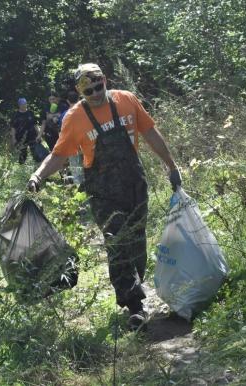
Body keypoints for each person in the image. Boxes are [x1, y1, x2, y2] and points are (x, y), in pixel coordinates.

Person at [27, 63, 182, 331]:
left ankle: (135, 289)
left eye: (99, 87)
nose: (96, 93)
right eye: (89, 91)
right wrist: (38, 176)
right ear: (80, 92)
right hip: (103, 192)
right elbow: (59, 154)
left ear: (105, 81)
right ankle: (135, 305)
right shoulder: (74, 118)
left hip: (135, 183)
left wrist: (171, 165)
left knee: (136, 242)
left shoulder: (127, 100)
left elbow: (149, 133)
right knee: (118, 242)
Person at [11, 97, 39, 164]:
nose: (24, 105)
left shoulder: (30, 113)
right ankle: (22, 167)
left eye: (25, 104)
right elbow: (13, 128)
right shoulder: (16, 115)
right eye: (22, 104)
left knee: (36, 152)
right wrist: (13, 138)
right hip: (21, 138)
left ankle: (37, 166)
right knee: (22, 154)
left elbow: (35, 125)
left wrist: (39, 134)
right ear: (19, 105)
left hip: (32, 136)